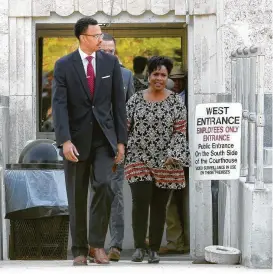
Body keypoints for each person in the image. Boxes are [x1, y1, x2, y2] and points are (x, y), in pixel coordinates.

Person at [52, 17, 127, 266]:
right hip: (75, 141)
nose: (101, 38)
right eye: (96, 35)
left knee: (105, 185)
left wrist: (121, 142)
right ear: (83, 37)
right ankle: (79, 250)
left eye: (101, 34)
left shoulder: (110, 63)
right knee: (77, 196)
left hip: (104, 140)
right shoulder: (63, 65)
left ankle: (97, 245)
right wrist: (64, 140)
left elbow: (118, 105)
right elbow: (59, 105)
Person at [125, 56, 191, 264]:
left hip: (166, 159)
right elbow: (125, 127)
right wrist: (120, 150)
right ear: (148, 75)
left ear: (168, 77)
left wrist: (173, 154)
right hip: (138, 156)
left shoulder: (176, 102)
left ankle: (153, 249)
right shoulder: (135, 99)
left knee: (159, 205)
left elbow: (180, 132)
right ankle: (139, 247)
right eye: (155, 74)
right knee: (140, 201)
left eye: (163, 75)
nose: (159, 78)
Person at [99, 33, 135, 262]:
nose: (108, 54)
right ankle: (95, 245)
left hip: (116, 147)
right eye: (104, 51)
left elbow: (129, 113)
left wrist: (124, 143)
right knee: (95, 196)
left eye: (111, 51)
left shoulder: (126, 75)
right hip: (92, 145)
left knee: (115, 196)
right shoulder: (87, 74)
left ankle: (116, 246)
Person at [159, 66, 189, 255]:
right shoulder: (169, 98)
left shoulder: (183, 99)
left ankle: (177, 242)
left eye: (180, 80)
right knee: (170, 202)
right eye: (174, 80)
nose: (176, 83)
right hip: (165, 157)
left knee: (173, 202)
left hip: (177, 157)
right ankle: (176, 241)